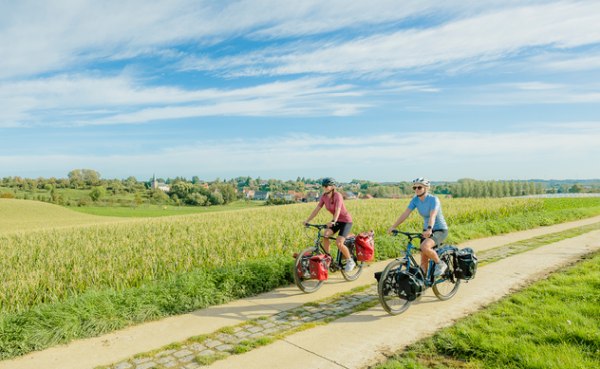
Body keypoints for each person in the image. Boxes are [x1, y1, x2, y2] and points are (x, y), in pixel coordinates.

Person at [387, 177, 449, 276]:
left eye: (419, 187)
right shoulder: (415, 200)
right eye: (414, 188)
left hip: (439, 230)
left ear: (426, 188)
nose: (416, 190)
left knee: (424, 246)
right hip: (426, 230)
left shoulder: (433, 200)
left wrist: (429, 229)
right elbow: (405, 214)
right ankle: (423, 281)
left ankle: (440, 264)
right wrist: (393, 226)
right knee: (423, 258)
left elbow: (432, 216)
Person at [304, 178, 356, 272]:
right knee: (325, 235)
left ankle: (350, 260)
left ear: (332, 187)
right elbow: (317, 210)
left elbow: (338, 209)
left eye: (326, 186)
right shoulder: (324, 196)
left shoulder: (338, 196)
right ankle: (328, 258)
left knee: (339, 242)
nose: (324, 187)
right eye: (323, 186)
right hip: (336, 221)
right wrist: (307, 220)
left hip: (346, 221)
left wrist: (333, 221)